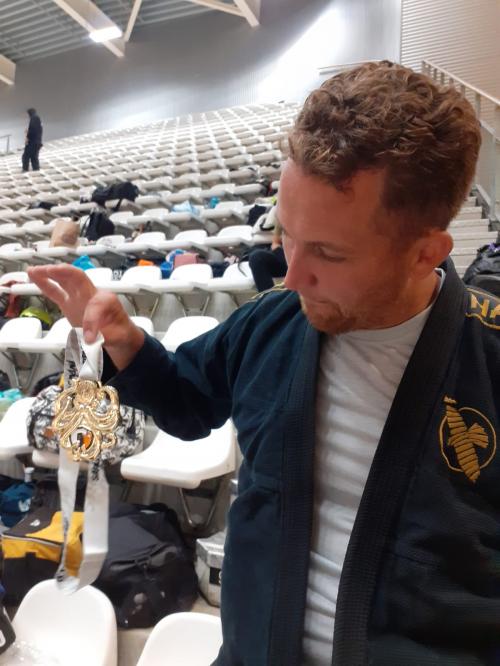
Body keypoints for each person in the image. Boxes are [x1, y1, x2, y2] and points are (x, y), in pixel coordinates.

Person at [29, 61, 500, 665]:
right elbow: (187, 403)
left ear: (424, 253)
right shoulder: (273, 323)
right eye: (288, 236)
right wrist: (125, 339)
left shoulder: (488, 359)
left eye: (328, 252)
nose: (292, 275)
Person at [249, 208, 288, 291]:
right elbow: (275, 243)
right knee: (257, 257)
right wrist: (282, 255)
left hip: (306, 259)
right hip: (286, 257)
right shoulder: (283, 215)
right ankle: (268, 296)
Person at [22, 108, 43, 172]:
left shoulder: (34, 118)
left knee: (25, 156)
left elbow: (33, 131)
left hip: (32, 142)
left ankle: (25, 169)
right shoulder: (37, 119)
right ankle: (36, 169)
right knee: (34, 157)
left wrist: (27, 135)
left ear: (30, 113)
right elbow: (38, 130)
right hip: (37, 142)